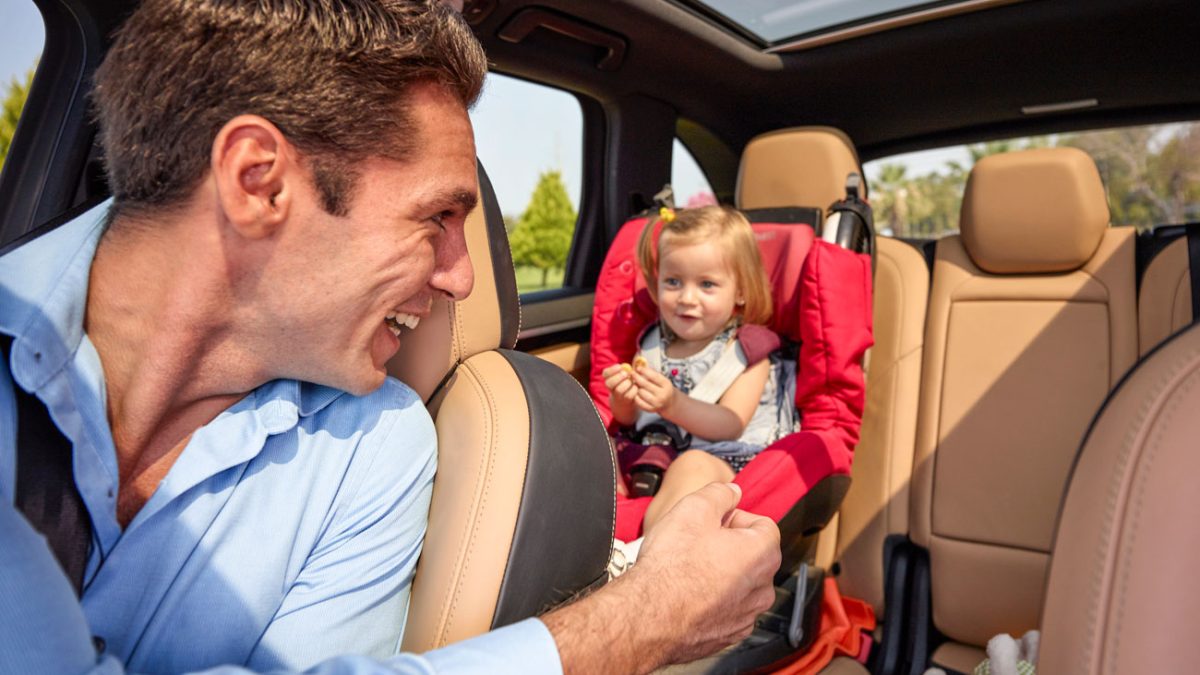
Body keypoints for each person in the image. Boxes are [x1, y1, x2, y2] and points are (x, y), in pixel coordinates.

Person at [0, 0, 779, 673]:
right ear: (257, 183)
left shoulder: (375, 445)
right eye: (437, 217)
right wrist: (646, 619)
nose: (461, 278)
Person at [602, 206, 798, 532]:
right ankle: (600, 535)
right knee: (595, 443)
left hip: (717, 457)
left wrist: (672, 404)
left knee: (692, 466)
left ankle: (649, 553)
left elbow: (731, 424)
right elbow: (629, 420)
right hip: (652, 450)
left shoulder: (747, 353)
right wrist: (622, 398)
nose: (687, 298)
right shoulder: (652, 344)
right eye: (674, 282)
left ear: (740, 292)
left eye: (706, 284)